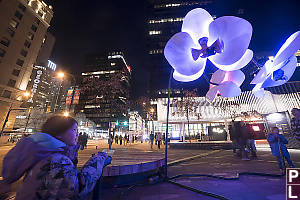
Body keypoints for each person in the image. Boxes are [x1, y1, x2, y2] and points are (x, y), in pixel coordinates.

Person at [1, 115, 111, 200]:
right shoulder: (57, 161)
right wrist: (99, 159)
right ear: (59, 133)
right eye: (74, 130)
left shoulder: (41, 153)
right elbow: (79, 187)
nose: (77, 134)